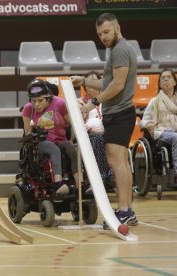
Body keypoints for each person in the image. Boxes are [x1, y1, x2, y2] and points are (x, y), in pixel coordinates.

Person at [71, 13, 138, 227]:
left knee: (117, 162)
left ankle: (125, 211)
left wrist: (94, 102)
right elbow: (109, 83)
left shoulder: (119, 50)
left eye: (106, 32)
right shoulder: (115, 49)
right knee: (120, 162)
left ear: (118, 28)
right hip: (119, 113)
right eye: (100, 34)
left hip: (119, 113)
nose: (103, 37)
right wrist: (84, 80)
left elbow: (117, 86)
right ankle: (128, 211)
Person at [22, 78, 80, 195]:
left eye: (40, 100)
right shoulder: (28, 109)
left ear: (48, 98)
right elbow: (27, 132)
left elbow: (73, 123)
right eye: (33, 101)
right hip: (41, 142)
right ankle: (58, 184)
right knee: (54, 149)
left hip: (60, 140)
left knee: (71, 148)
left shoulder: (59, 103)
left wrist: (71, 139)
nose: (36, 104)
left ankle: (79, 183)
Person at [140, 68, 177, 189]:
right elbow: (143, 122)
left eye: (169, 77)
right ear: (160, 83)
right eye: (163, 78)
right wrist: (148, 124)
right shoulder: (154, 101)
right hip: (162, 132)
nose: (166, 79)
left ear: (175, 82)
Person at [79, 71, 114, 188]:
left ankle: (113, 174)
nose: (92, 85)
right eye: (90, 82)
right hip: (88, 135)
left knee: (115, 138)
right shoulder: (81, 102)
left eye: (95, 81)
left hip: (108, 131)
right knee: (98, 138)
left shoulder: (108, 101)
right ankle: (103, 174)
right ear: (85, 87)